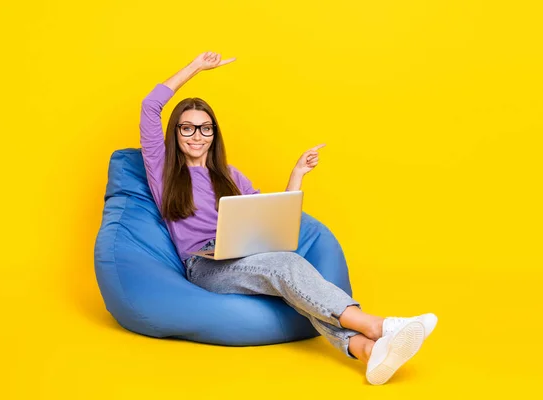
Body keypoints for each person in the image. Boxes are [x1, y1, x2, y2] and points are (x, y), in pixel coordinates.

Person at [139, 51, 438, 385]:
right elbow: (150, 106)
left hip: (242, 253)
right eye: (188, 128)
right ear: (175, 133)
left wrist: (297, 173)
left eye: (205, 128)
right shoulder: (163, 171)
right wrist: (197, 67)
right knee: (285, 266)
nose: (197, 135)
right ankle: (379, 326)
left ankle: (367, 351)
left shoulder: (230, 177)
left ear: (215, 134)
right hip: (204, 266)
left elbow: (270, 215)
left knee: (290, 279)